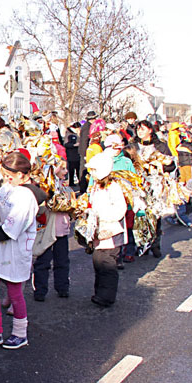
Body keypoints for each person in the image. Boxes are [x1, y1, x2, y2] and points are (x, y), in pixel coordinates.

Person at [0, 152, 39, 350]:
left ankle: (20, 333)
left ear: (22, 174)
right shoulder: (8, 188)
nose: (7, 178)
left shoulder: (27, 197)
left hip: (14, 248)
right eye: (5, 174)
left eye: (10, 174)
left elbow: (9, 230)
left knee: (15, 293)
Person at [86, 152, 127, 307]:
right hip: (99, 230)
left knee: (108, 264)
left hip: (111, 231)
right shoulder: (97, 187)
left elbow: (119, 209)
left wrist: (106, 220)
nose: (92, 173)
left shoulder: (113, 187)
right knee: (98, 262)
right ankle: (99, 292)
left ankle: (107, 296)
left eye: (94, 170)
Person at [32, 162, 71, 301]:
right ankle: (40, 290)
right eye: (63, 168)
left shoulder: (66, 187)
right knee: (43, 260)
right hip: (47, 229)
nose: (66, 171)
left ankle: (63, 287)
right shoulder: (45, 187)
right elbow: (41, 207)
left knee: (62, 260)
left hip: (62, 229)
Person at [77, 111, 97, 192]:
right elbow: (84, 140)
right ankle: (83, 188)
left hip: (85, 151)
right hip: (85, 152)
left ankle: (84, 187)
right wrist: (85, 153)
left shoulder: (88, 126)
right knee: (84, 170)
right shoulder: (87, 127)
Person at [64, 122, 81, 188]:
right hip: (71, 155)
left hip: (77, 155)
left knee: (78, 169)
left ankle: (79, 181)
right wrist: (74, 145)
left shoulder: (78, 134)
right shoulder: (69, 134)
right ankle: (71, 182)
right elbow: (66, 144)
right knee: (71, 170)